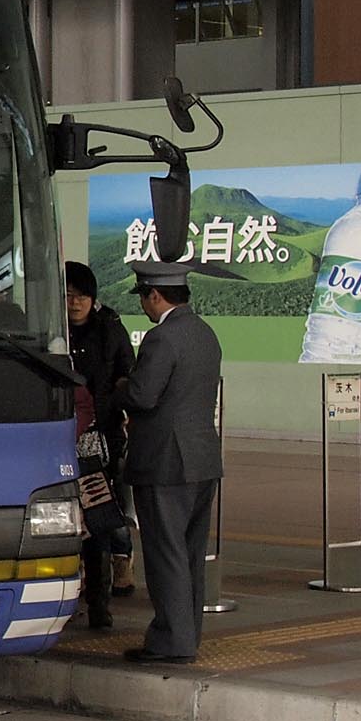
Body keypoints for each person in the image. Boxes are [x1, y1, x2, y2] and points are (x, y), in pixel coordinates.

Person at [118, 259, 223, 663]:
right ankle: (187, 634)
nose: (144, 306)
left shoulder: (161, 339)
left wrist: (121, 386)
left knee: (166, 553)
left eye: (144, 298)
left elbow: (143, 395)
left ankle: (170, 642)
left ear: (155, 295)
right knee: (190, 553)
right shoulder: (205, 333)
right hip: (202, 460)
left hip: (165, 462)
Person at [66, 260, 136, 628]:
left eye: (82, 295)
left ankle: (99, 603)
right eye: (68, 294)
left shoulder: (108, 330)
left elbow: (127, 374)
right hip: (62, 440)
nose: (74, 302)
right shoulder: (55, 330)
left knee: (99, 522)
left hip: (101, 444)